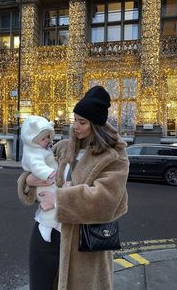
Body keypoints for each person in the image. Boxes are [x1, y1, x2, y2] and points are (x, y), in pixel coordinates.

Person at [17, 86, 129, 290]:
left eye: (82, 121)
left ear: (96, 125)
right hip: (44, 236)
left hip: (83, 246)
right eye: (74, 119)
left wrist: (59, 200)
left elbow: (106, 201)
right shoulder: (63, 148)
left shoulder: (114, 157)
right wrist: (28, 182)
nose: (75, 126)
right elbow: (40, 172)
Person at [20, 115, 60, 243]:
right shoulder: (33, 152)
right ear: (32, 139)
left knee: (51, 205)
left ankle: (51, 224)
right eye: (43, 138)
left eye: (48, 136)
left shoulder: (40, 149)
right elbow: (37, 166)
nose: (47, 140)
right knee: (49, 206)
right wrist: (49, 173)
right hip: (45, 184)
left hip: (47, 182)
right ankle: (46, 225)